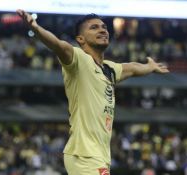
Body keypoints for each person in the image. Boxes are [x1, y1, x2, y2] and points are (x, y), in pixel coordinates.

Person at [16, 9, 169, 175]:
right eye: (94, 27)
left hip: (99, 156)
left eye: (104, 27)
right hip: (84, 155)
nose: (103, 30)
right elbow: (58, 45)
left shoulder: (109, 69)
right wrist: (36, 29)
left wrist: (150, 67)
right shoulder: (79, 60)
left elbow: (132, 68)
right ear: (80, 39)